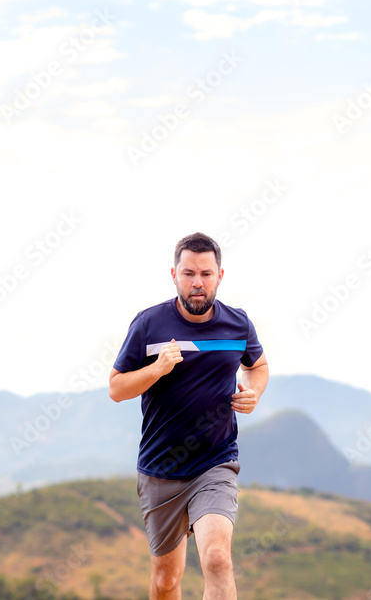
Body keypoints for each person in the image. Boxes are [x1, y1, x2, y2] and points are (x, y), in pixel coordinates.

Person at [109, 232, 269, 600]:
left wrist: (253, 392)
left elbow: (257, 367)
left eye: (206, 274)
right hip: (160, 469)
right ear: (174, 274)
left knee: (216, 558)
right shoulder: (148, 324)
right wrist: (157, 369)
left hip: (215, 462)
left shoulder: (238, 324)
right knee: (166, 581)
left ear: (220, 276)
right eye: (188, 273)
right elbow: (117, 389)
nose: (197, 282)